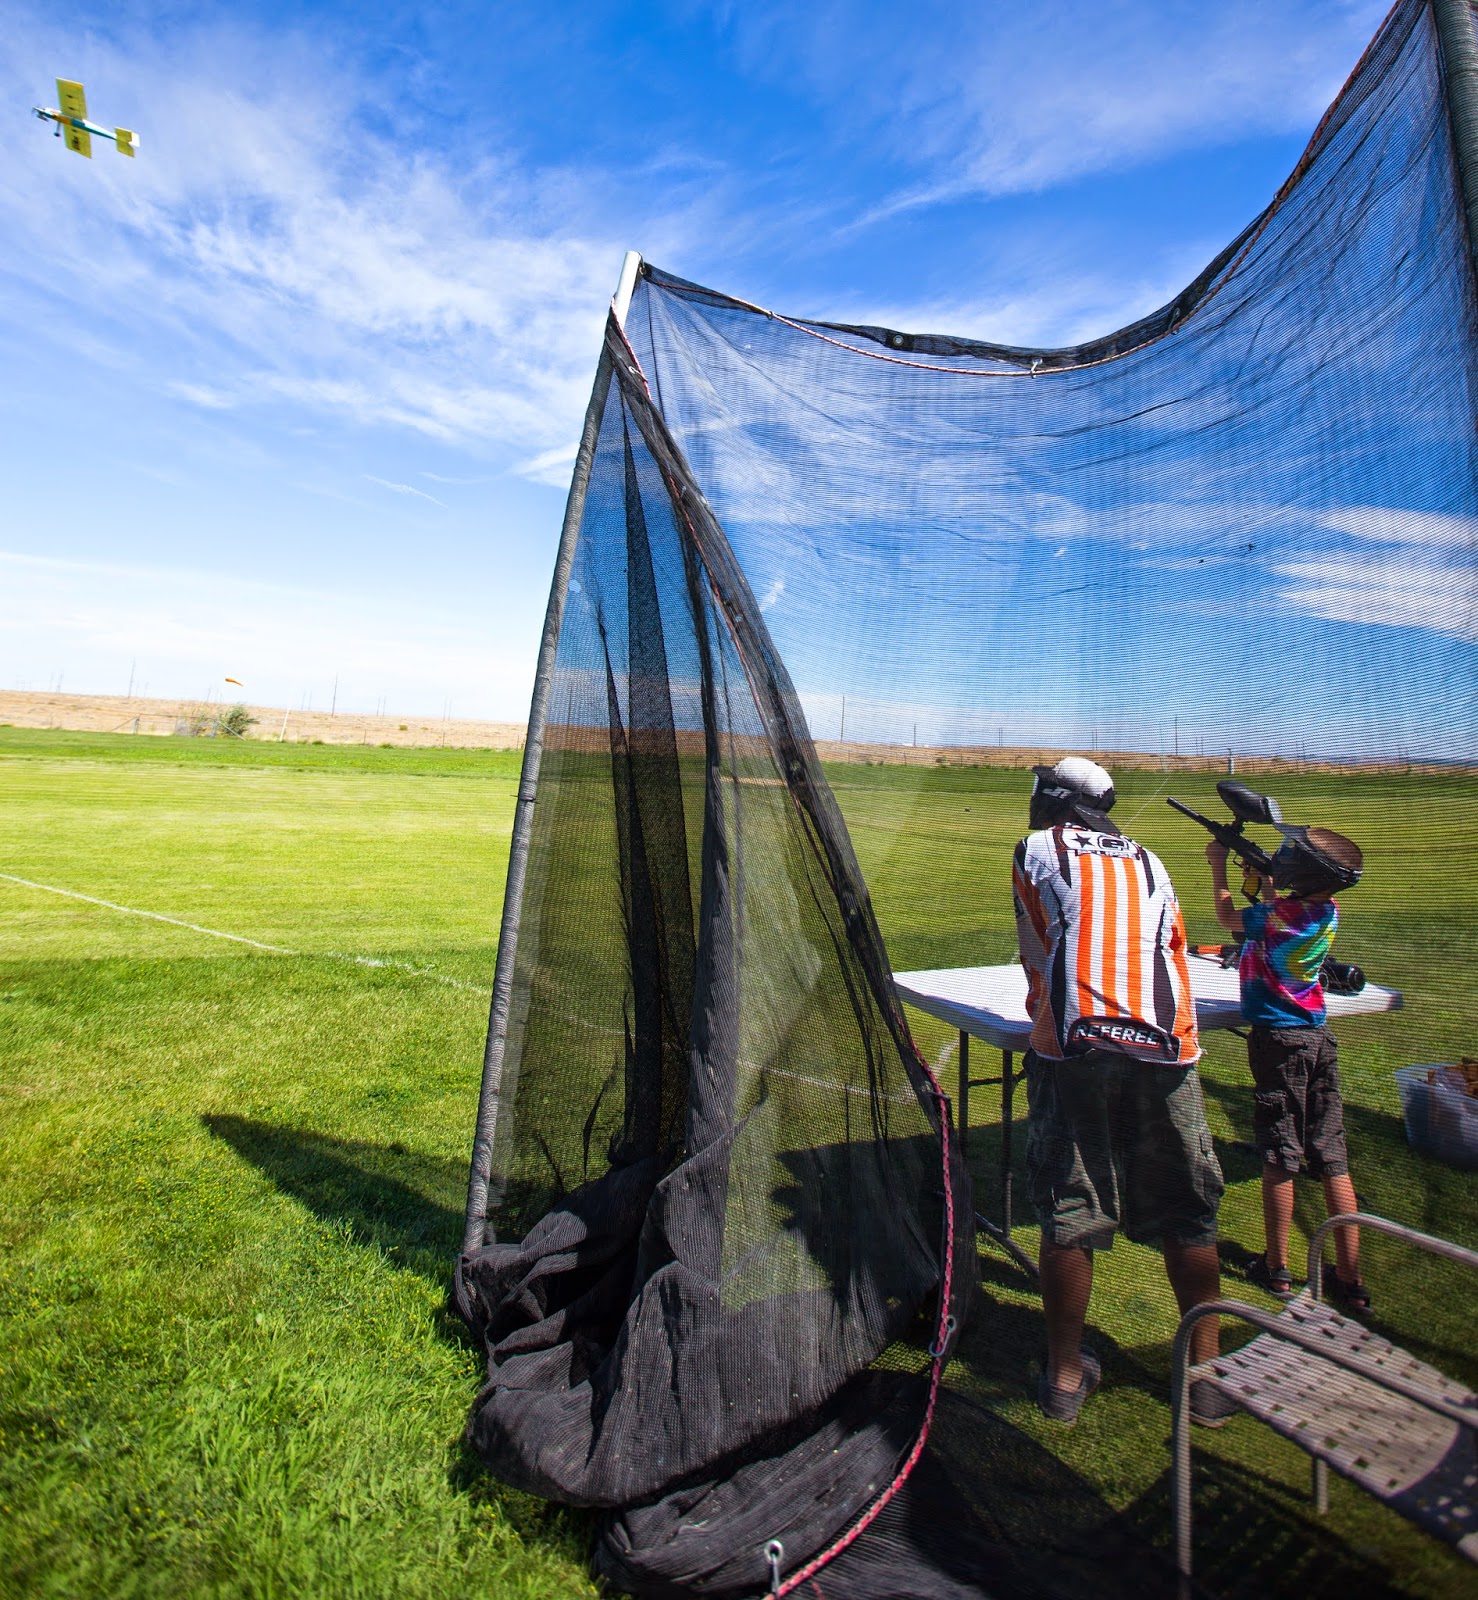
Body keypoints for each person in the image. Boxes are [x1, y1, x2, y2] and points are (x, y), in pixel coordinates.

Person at [1013, 758, 1234, 1427]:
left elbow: (1037, 956)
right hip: (1168, 1047)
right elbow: (1169, 944)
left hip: (1074, 1046)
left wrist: (1046, 1010)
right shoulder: (1151, 858)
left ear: (1050, 801)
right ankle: (1207, 1376)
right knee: (1189, 1213)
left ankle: (1063, 1378)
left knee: (1070, 1210)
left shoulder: (1034, 850)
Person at [1205, 818, 1369, 1311]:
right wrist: (1265, 881)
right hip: (1317, 1037)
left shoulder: (1279, 915)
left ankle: (1276, 1267)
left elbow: (1228, 920)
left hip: (1278, 1043)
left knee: (1280, 1155)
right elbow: (1280, 911)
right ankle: (1350, 1278)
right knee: (1331, 1156)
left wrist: (1218, 867)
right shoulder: (1326, 910)